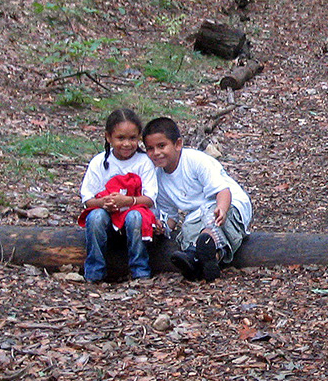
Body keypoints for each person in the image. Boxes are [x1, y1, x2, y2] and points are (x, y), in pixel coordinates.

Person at [143, 116, 252, 282]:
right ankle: (206, 259)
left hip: (228, 203)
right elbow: (171, 215)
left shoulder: (195, 161)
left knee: (212, 221)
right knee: (188, 229)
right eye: (150, 149)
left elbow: (223, 191)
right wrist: (162, 227)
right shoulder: (158, 177)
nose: (156, 153)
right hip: (197, 215)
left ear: (178, 144)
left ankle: (200, 253)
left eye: (161, 146)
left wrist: (222, 209)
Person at [78, 109, 160, 282]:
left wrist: (128, 201)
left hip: (134, 215)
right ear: (109, 137)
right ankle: (94, 271)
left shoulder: (144, 162)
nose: (127, 144)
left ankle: (140, 269)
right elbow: (87, 199)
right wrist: (103, 203)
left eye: (132, 138)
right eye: (120, 138)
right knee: (95, 217)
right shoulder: (100, 162)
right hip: (108, 215)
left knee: (136, 217)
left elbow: (150, 198)